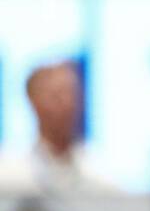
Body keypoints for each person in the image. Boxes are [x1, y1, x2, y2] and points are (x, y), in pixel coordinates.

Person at [0, 62, 115, 194]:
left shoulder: (99, 171)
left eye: (71, 94)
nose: (67, 104)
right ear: (33, 101)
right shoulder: (9, 173)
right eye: (56, 96)